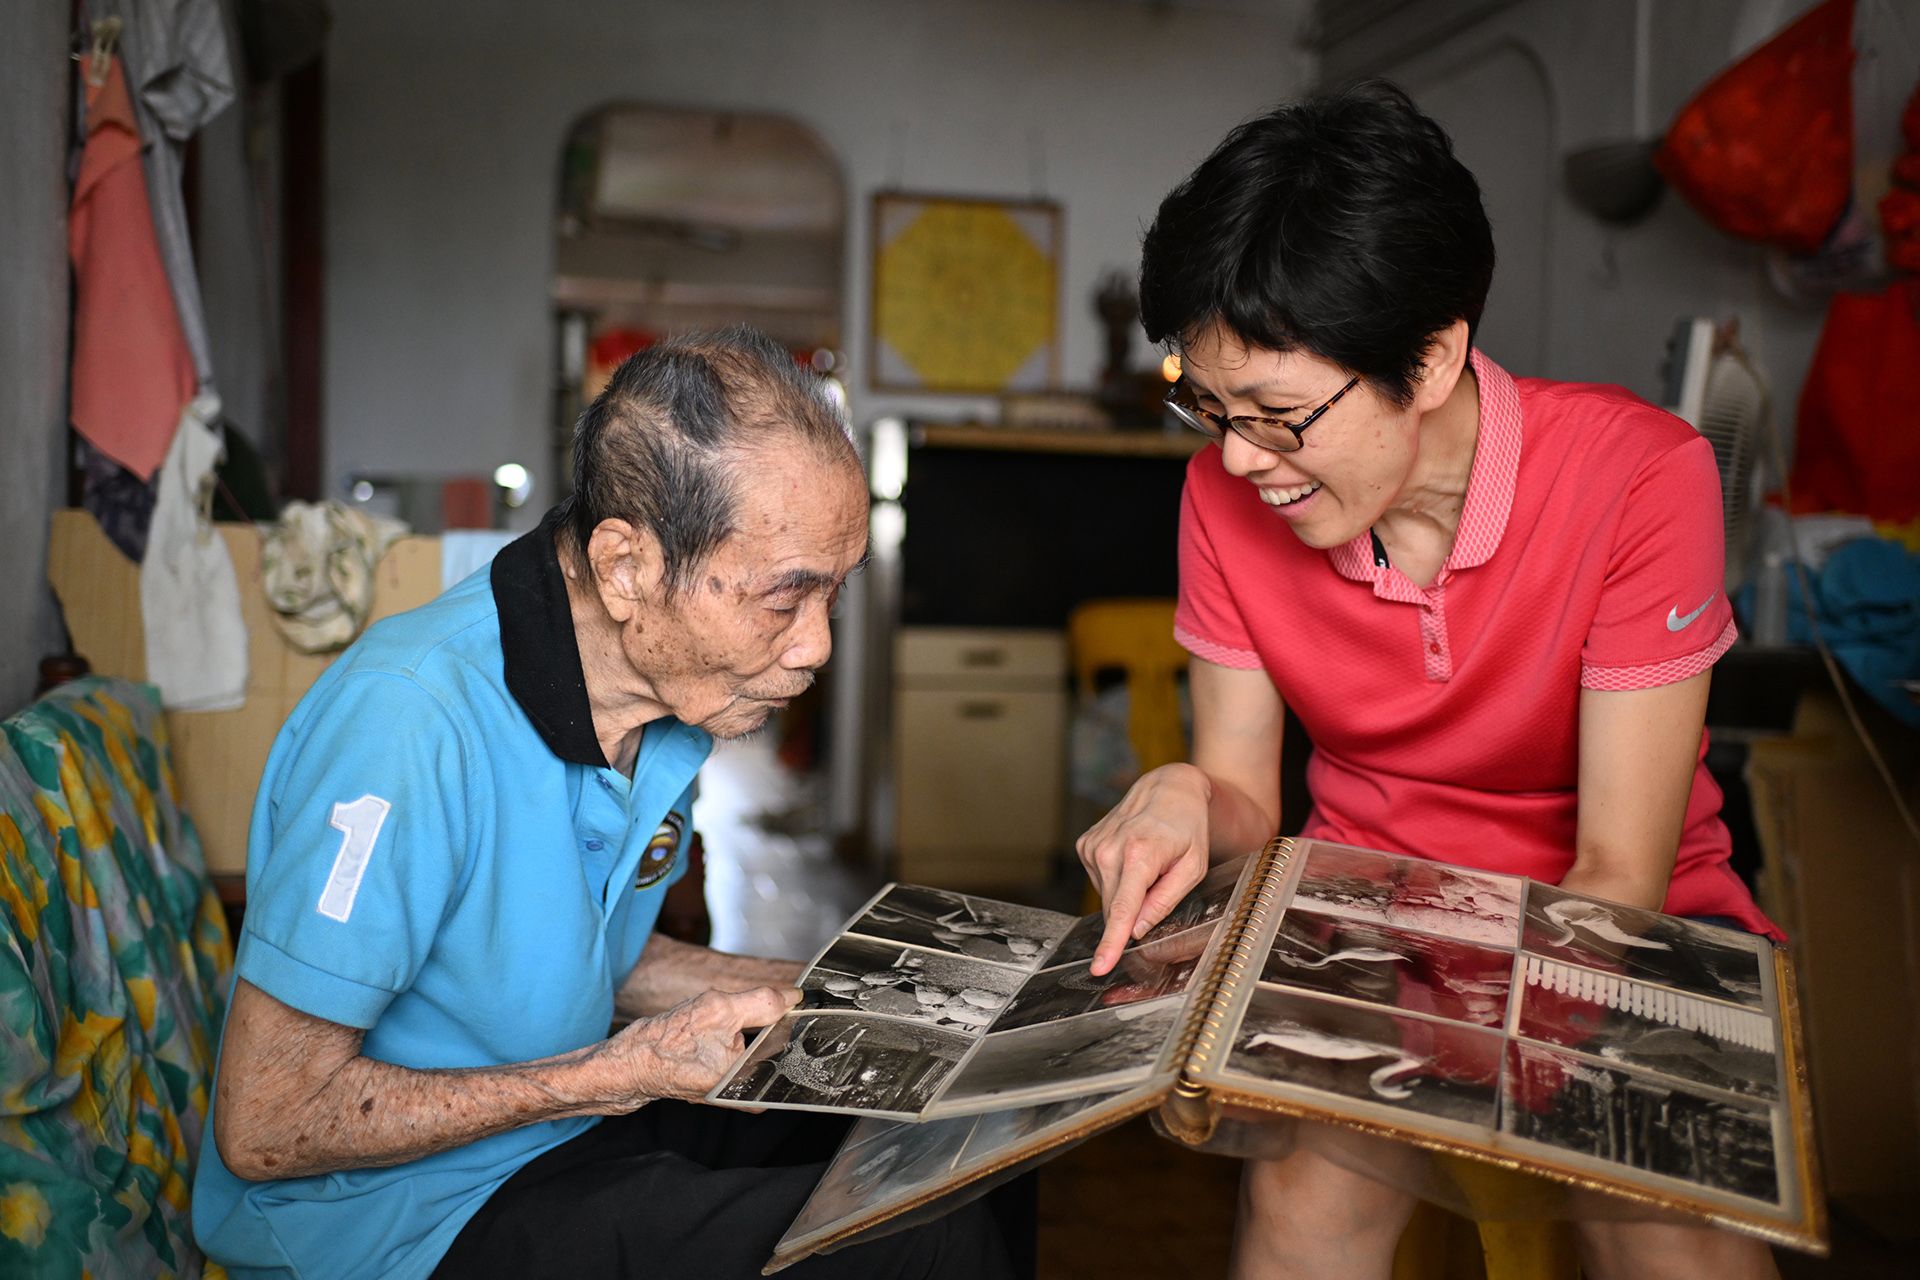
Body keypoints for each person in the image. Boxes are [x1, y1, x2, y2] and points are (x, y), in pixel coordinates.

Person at [1075, 82, 1782, 1280]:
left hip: (1614, 915)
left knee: (1663, 1221)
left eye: (1281, 413)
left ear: (1436, 355)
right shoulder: (1225, 497)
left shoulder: (1639, 477)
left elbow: (1620, 871)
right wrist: (1190, 793)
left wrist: (1475, 1034)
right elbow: (1251, 798)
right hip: (1369, 918)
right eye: (1209, 405)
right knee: (1303, 1199)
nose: (1240, 457)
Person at [191, 328, 1016, 1280]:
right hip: (392, 1225)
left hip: (554, 1138)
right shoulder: (407, 727)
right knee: (922, 1247)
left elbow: (598, 960)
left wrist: (911, 1003)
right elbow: (266, 1124)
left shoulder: (662, 703)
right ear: (626, 568)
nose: (817, 647)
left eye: (832, 595)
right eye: (783, 600)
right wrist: (621, 1073)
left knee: (962, 1134)